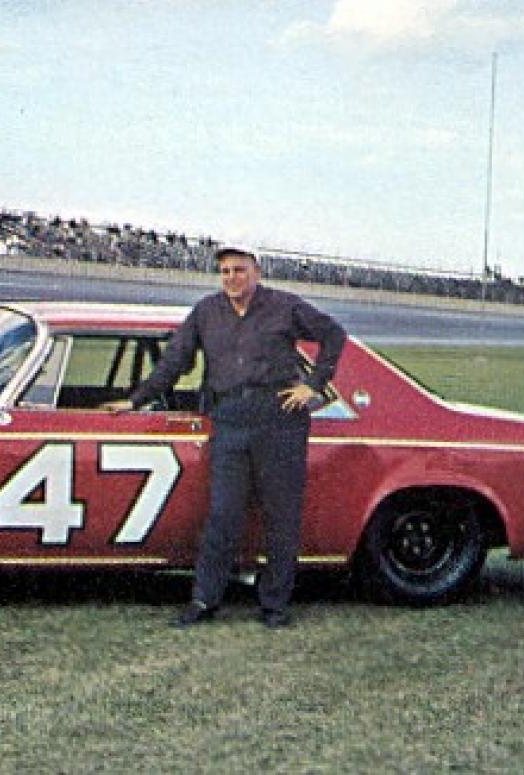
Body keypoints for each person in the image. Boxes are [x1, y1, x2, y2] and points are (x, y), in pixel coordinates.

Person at [103, 244, 345, 629]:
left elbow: (334, 335)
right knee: (223, 514)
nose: (232, 277)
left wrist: (313, 385)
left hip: (279, 419)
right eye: (226, 271)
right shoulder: (206, 311)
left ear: (256, 272)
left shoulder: (285, 306)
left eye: (240, 270)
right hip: (229, 419)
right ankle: (204, 600)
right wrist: (136, 400)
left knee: (281, 516)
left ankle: (275, 606)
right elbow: (175, 361)